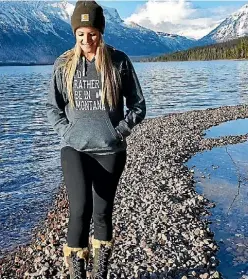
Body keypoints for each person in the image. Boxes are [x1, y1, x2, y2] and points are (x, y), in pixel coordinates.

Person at [46, 1, 146, 278]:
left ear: (101, 32)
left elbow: (138, 105)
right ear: (74, 34)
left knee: (102, 212)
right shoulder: (64, 64)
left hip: (110, 150)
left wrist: (119, 132)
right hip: (74, 148)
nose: (86, 39)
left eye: (92, 33)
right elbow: (52, 107)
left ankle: (100, 273)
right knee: (80, 210)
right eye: (80, 33)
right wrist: (66, 132)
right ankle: (77, 274)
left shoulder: (118, 61)